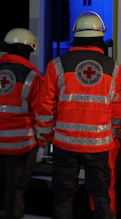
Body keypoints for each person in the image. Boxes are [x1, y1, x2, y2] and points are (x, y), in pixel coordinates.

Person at [35, 11, 121, 219]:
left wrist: (45, 136)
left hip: (65, 145)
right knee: (102, 196)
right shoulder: (114, 68)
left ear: (75, 36)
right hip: (99, 146)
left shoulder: (56, 65)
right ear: (101, 37)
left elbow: (45, 106)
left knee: (63, 198)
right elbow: (117, 109)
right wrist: (111, 135)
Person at [0, 28, 43, 219]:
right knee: (15, 191)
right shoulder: (33, 78)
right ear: (27, 50)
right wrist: (42, 142)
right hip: (21, 146)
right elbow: (41, 113)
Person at [88, 76, 121, 218]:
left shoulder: (111, 91)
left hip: (107, 140)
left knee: (104, 178)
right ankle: (101, 211)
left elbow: (115, 121)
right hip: (107, 139)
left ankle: (107, 213)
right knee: (101, 178)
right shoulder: (112, 89)